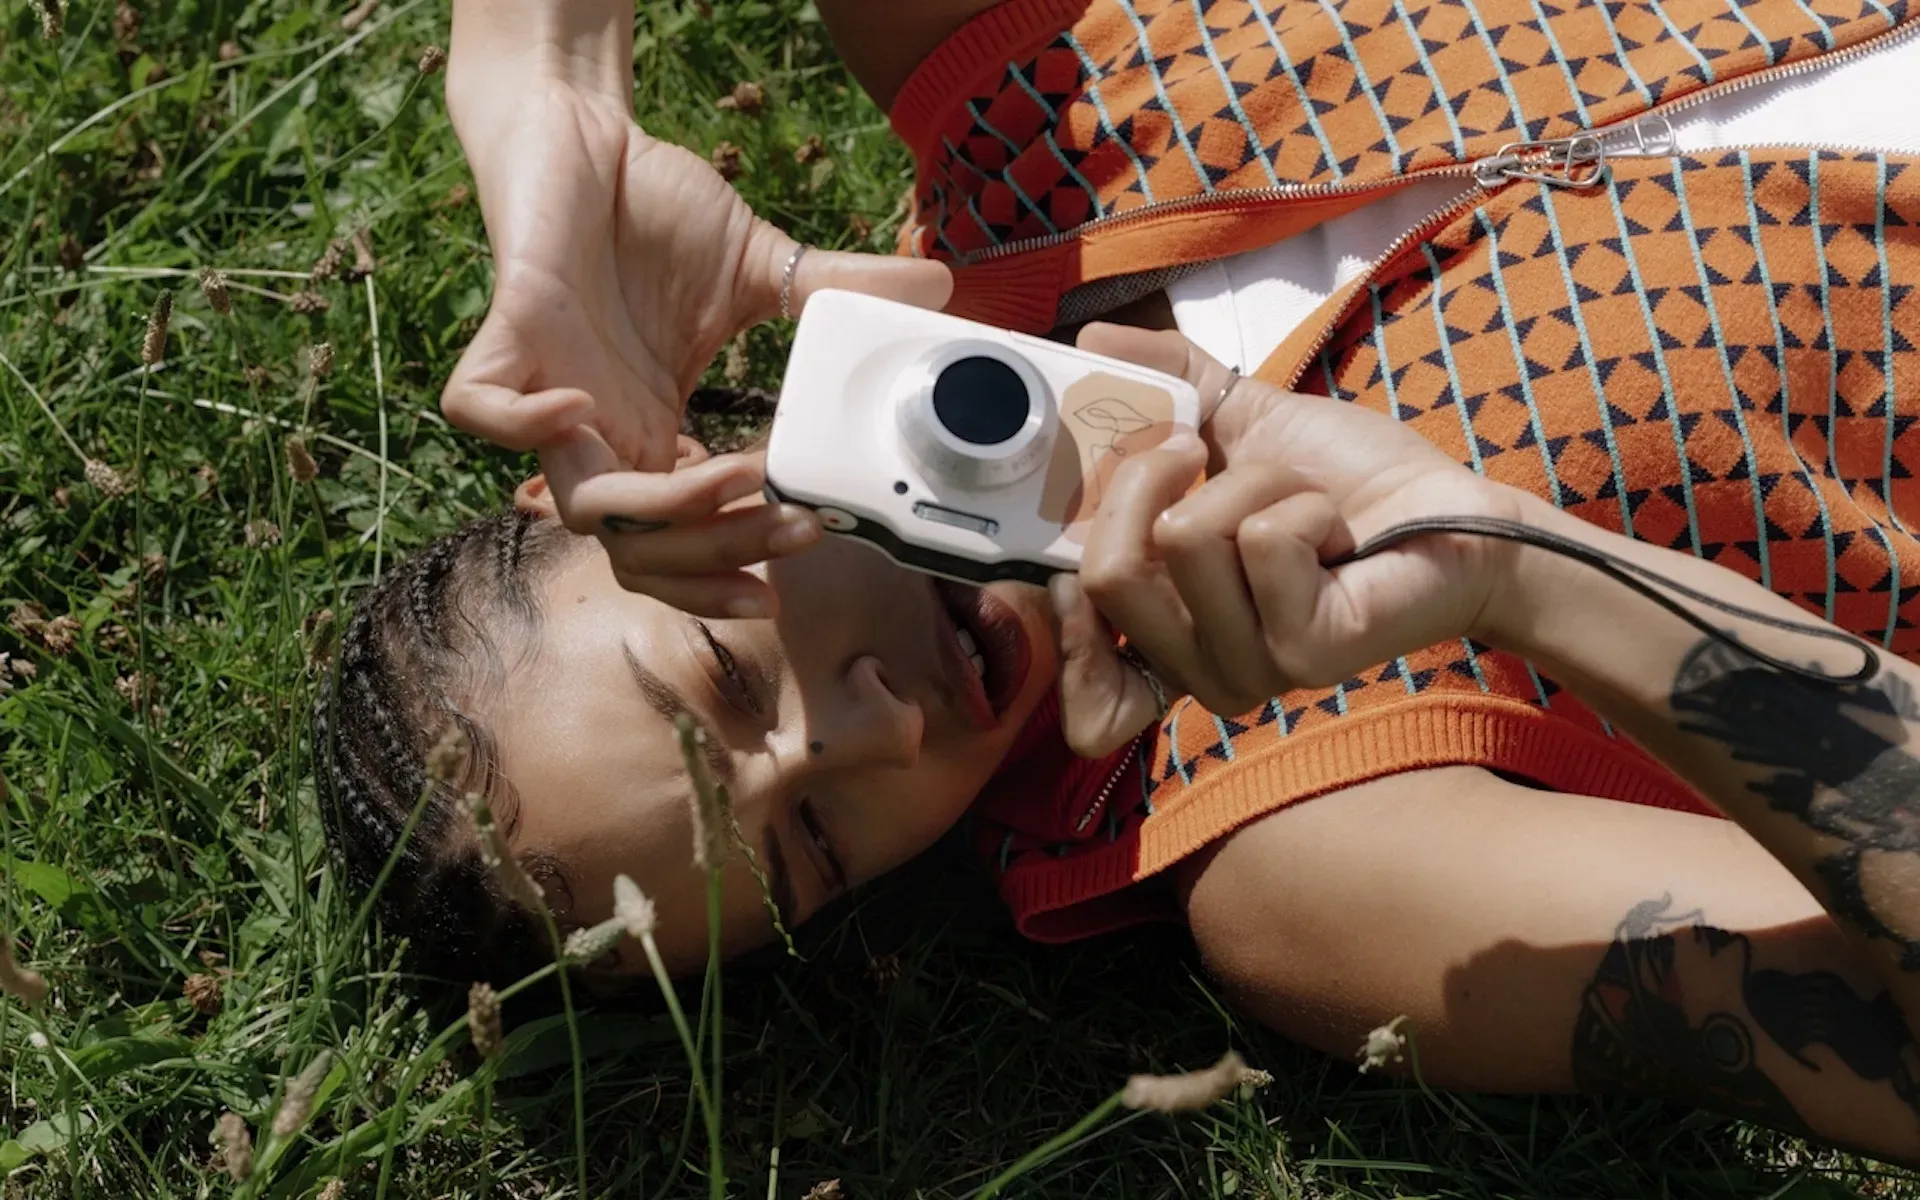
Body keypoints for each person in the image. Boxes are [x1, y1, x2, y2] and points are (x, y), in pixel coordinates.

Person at [315, 0, 1920, 1163]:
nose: (870, 734)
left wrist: (546, 88)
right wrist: (1525, 575)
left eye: (733, 683)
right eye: (810, 838)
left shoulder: (1018, 90)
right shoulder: (1309, 835)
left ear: (616, 487)